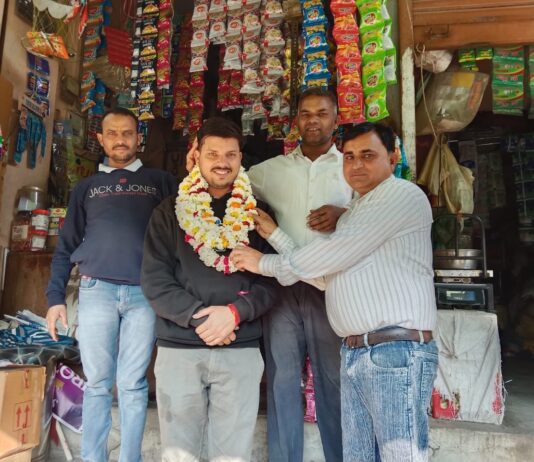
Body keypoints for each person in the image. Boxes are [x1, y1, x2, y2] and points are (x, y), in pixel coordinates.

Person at [231, 122, 439, 462]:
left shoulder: (401, 195)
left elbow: (330, 254)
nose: (356, 165)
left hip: (395, 352)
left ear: (393, 157)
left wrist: (262, 263)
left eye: (368, 155)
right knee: (357, 455)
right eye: (350, 156)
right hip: (359, 352)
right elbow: (326, 276)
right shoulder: (356, 211)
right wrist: (273, 234)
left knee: (399, 454)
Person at [187, 88, 351, 462]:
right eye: (305, 113)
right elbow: (224, 177)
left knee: (334, 381)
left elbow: (372, 212)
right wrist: (196, 163)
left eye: (322, 113)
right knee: (282, 381)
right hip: (281, 289)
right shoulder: (269, 171)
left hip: (332, 288)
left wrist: (343, 214)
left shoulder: (350, 169)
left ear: (336, 119)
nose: (313, 120)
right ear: (296, 121)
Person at [140, 117, 279, 462]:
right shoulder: (169, 211)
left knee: (232, 455)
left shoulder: (257, 215)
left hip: (240, 347)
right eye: (213, 154)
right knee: (178, 453)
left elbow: (274, 278)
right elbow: (155, 280)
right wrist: (202, 318)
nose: (222, 162)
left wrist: (235, 314)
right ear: (197, 155)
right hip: (179, 347)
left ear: (240, 158)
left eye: (230, 155)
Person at [46, 107, 178, 462]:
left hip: (145, 293)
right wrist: (55, 298)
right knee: (98, 384)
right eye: (113, 133)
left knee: (133, 385)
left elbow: (185, 228)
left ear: (138, 138)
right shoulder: (86, 188)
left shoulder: (161, 181)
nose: (121, 140)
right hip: (96, 292)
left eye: (128, 133)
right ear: (100, 139)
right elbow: (66, 246)